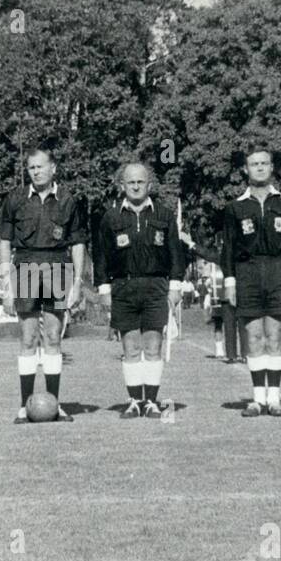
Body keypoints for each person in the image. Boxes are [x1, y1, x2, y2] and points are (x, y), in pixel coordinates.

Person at [0, 146, 87, 423]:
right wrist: (5, 282)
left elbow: (78, 244)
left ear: (53, 168)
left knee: (52, 337)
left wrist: (76, 283)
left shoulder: (69, 200)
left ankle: (55, 404)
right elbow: (4, 242)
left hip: (58, 265)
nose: (35, 172)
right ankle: (24, 408)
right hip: (24, 265)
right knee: (27, 338)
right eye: (31, 168)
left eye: (40, 166)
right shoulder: (15, 199)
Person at [93, 162, 184, 418]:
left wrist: (175, 286)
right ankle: (134, 401)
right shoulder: (111, 218)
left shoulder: (164, 216)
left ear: (149, 185)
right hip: (123, 285)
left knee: (153, 346)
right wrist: (103, 287)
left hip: (156, 285)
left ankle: (152, 402)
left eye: (140, 182)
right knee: (131, 347)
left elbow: (175, 254)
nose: (135, 186)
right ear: (122, 186)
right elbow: (101, 256)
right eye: (130, 182)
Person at [221, 150, 281, 417]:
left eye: (263, 163)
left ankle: (275, 399)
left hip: (276, 270)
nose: (259, 168)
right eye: (253, 164)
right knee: (254, 337)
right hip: (247, 272)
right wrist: (230, 282)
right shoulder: (236, 207)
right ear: (245, 170)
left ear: (271, 167)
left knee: (275, 337)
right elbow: (229, 248)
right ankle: (257, 399)